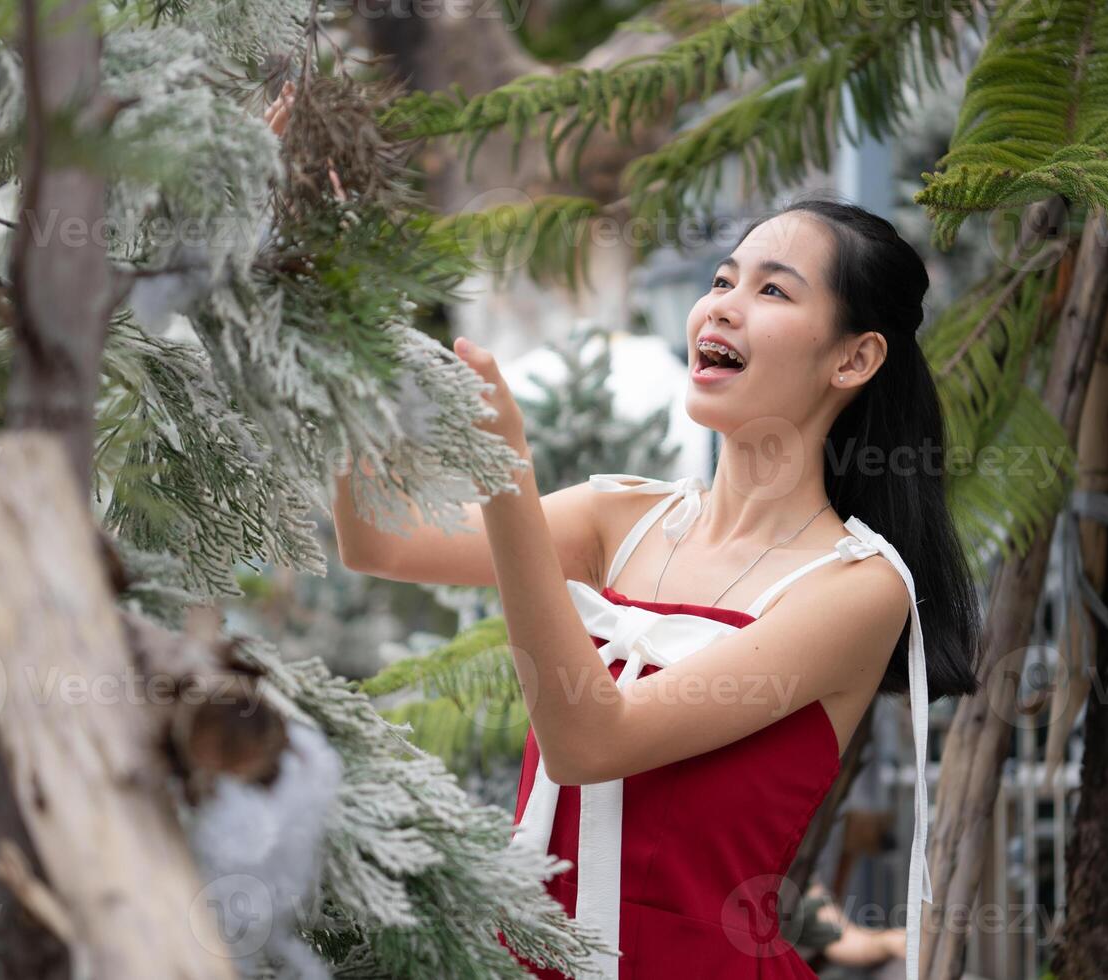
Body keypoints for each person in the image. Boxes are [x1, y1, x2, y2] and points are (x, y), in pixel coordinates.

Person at [276, 84, 982, 978]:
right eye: (722, 279)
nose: (721, 304)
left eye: (773, 290)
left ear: (854, 357)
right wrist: (335, 282)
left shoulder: (857, 588)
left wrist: (506, 477)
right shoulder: (621, 517)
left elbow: (589, 743)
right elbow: (376, 535)